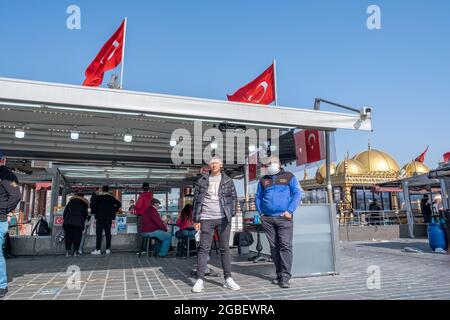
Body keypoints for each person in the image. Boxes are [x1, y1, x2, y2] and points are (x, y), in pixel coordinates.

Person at [191, 156, 240, 293]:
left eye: (216, 163)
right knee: (204, 249)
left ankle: (228, 279)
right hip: (206, 218)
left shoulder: (228, 180)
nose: (214, 165)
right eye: (212, 163)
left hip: (223, 218)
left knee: (225, 249)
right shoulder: (202, 181)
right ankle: (200, 279)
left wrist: (232, 214)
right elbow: (196, 202)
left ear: (221, 165)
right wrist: (196, 220)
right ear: (209, 165)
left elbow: (234, 198)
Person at [255, 156, 301, 289]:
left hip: (284, 218)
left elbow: (297, 193)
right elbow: (258, 197)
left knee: (285, 246)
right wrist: (261, 213)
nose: (271, 165)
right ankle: (279, 274)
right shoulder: (263, 180)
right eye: (268, 163)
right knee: (274, 247)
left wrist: (290, 211)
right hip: (268, 218)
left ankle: (285, 276)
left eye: (273, 163)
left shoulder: (288, 176)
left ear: (279, 164)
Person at [0, 151, 21, 298]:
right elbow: (15, 196)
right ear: (4, 160)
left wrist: (3, 210)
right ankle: (1, 285)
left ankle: (2, 284)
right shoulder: (9, 176)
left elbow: (16, 196)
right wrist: (4, 210)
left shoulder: (6, 175)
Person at [90, 185, 121, 255]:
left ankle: (98, 249)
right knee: (108, 234)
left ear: (103, 190)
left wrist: (97, 211)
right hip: (108, 218)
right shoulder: (111, 197)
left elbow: (93, 206)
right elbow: (119, 204)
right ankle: (107, 249)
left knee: (99, 234)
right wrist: (113, 210)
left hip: (100, 218)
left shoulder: (99, 197)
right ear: (108, 190)